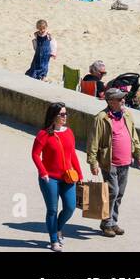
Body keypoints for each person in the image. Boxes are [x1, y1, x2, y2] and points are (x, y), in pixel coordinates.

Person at [86, 87, 140, 238]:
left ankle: (112, 221)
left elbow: (134, 136)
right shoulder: (101, 118)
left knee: (120, 193)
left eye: (123, 98)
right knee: (112, 192)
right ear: (110, 102)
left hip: (125, 162)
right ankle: (106, 223)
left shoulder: (127, 114)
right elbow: (93, 142)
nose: (123, 100)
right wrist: (93, 162)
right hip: (109, 162)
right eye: (119, 99)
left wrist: (139, 153)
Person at [32, 101, 82, 251]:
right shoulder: (44, 134)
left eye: (66, 113)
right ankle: (54, 240)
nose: (65, 116)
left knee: (70, 207)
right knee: (52, 210)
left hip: (68, 177)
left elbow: (72, 154)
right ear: (53, 116)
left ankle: (58, 228)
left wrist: (79, 173)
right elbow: (35, 154)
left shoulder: (69, 132)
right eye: (62, 114)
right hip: (50, 179)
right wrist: (43, 172)